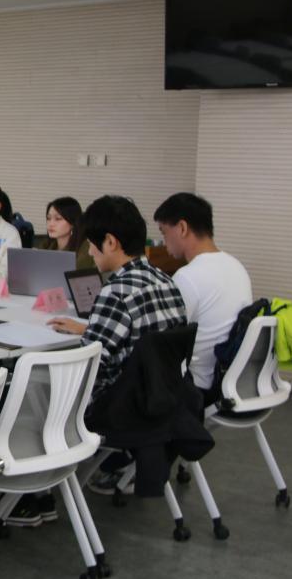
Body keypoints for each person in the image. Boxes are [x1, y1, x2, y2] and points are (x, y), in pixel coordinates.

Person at [47, 195, 188, 492]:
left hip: (120, 410)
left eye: (92, 243)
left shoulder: (115, 292)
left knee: (31, 390)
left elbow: (89, 372)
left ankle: (36, 493)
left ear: (110, 242)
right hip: (162, 402)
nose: (89, 250)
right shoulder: (167, 282)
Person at [154, 192, 252, 394]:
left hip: (198, 384)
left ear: (182, 228)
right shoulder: (236, 266)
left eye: (164, 232)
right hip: (230, 378)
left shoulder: (188, 276)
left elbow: (162, 335)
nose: (164, 242)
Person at [44, 196, 96, 270]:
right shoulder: (47, 246)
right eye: (48, 218)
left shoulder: (86, 248)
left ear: (72, 222)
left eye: (58, 219)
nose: (51, 224)